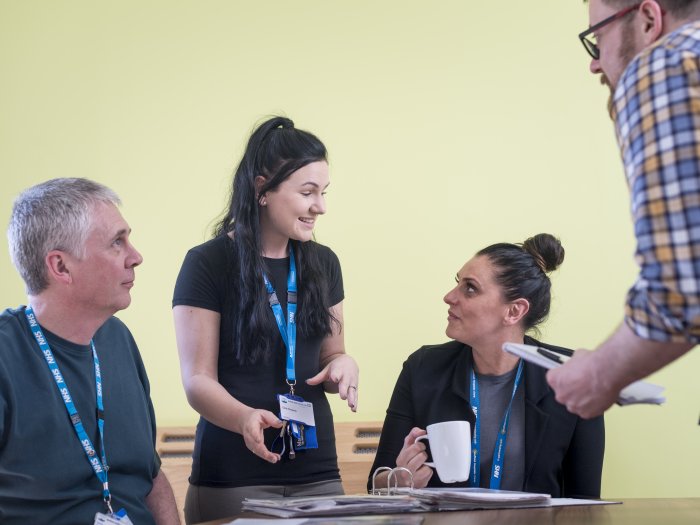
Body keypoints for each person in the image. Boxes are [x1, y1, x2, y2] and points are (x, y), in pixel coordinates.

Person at [173, 116, 359, 523]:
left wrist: (342, 365)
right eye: (307, 192)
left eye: (324, 192)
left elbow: (333, 353)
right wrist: (243, 418)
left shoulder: (324, 263)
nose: (320, 207)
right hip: (234, 477)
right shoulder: (207, 263)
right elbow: (197, 381)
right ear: (261, 189)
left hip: (318, 473)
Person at [547, 0, 700, 418]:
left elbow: (685, 284)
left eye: (597, 38)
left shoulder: (665, 63)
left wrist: (599, 374)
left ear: (649, 19)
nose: (595, 66)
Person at [369, 234, 604, 498]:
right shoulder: (422, 367)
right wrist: (397, 479)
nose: (449, 297)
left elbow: (586, 502)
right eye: (457, 283)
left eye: (470, 288)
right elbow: (378, 481)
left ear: (514, 311)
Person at [0, 178, 179, 524]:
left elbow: (150, 476)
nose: (136, 257)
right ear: (61, 266)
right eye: (117, 242)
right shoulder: (7, 354)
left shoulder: (118, 340)